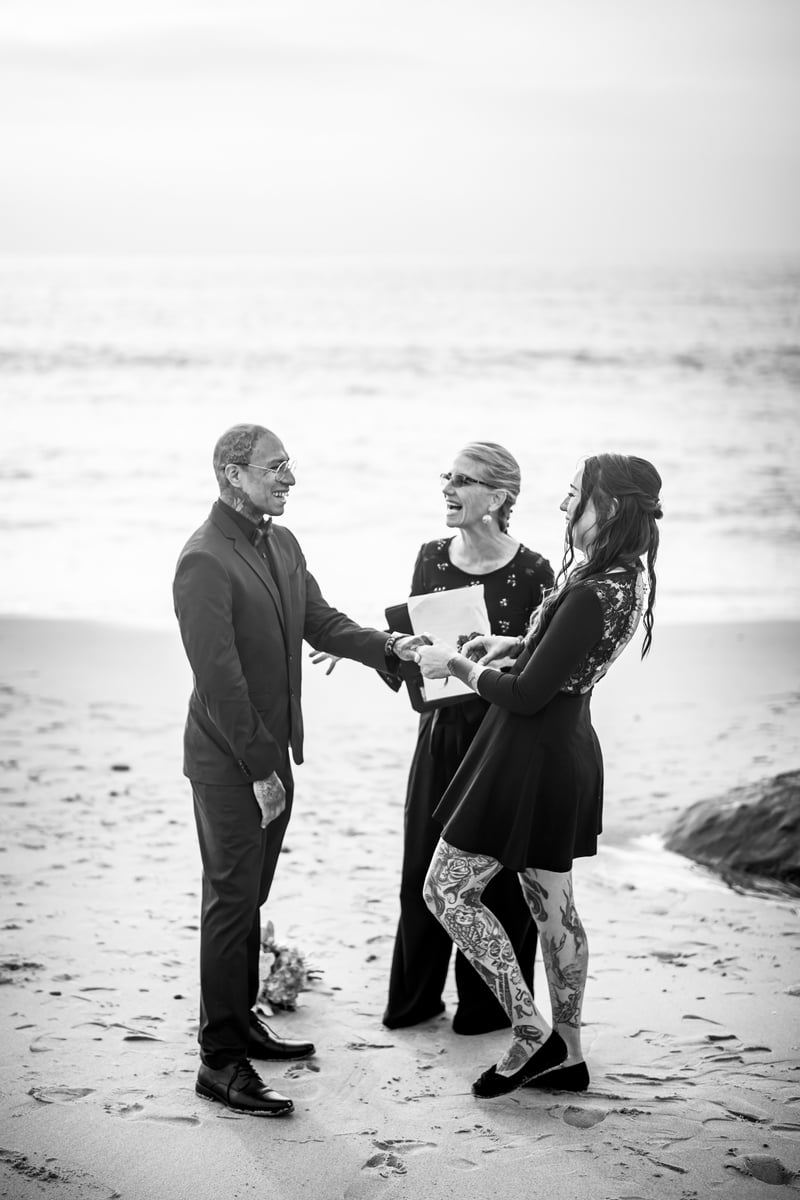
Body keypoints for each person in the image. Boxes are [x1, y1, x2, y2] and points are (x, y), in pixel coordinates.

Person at [173, 423, 424, 1118]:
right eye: (276, 466)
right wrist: (260, 769)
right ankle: (220, 1061)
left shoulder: (281, 543)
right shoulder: (203, 560)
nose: (290, 478)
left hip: (273, 752)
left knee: (249, 899)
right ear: (234, 473)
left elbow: (321, 621)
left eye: (290, 465)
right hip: (230, 760)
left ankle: (241, 1019)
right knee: (230, 903)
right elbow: (220, 682)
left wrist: (391, 650)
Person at [414, 453, 662, 1097]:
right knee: (554, 906)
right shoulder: (624, 577)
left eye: (575, 494)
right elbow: (565, 656)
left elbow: (524, 696)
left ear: (608, 507)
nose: (563, 505)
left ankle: (530, 1032)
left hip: (525, 756)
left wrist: (455, 665)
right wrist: (514, 644)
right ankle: (569, 1053)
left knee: (446, 893)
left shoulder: (589, 589)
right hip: (565, 748)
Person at [382, 443, 554, 1034]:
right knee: (420, 869)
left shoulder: (535, 571)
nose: (448, 488)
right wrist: (378, 650)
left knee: (496, 879)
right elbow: (415, 644)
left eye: (464, 480)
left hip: (502, 740)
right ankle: (415, 1001)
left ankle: (486, 1011)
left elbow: (540, 666)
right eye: (447, 476)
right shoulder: (430, 556)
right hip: (438, 735)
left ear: (499, 497)